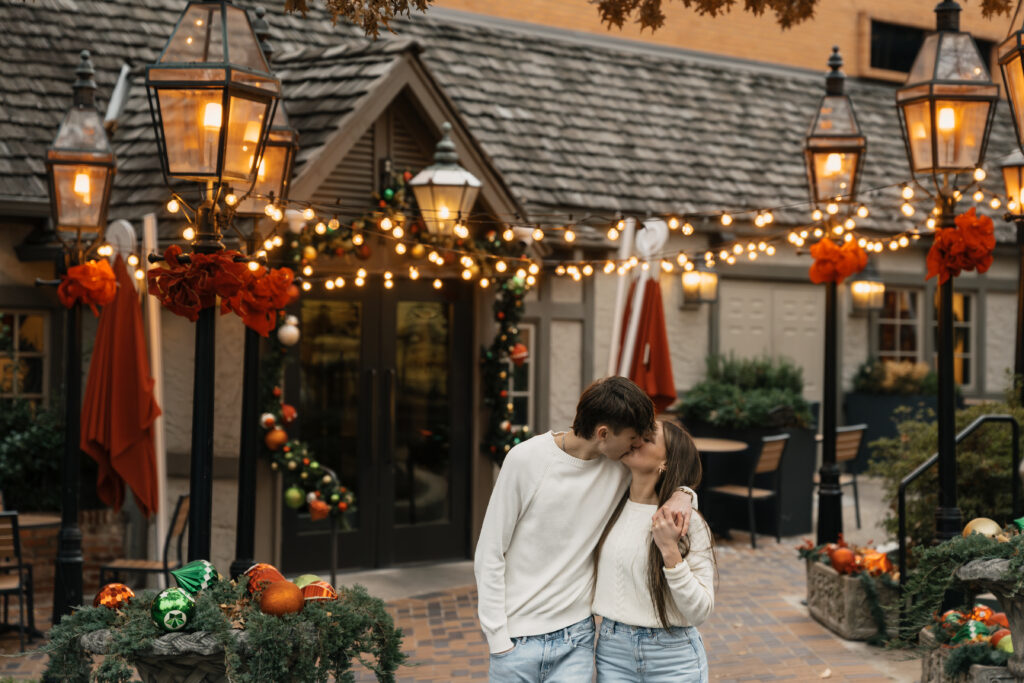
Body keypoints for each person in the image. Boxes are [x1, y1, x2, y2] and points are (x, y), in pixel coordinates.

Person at [475, 376, 697, 682]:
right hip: (517, 643)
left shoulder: (619, 465)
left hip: (576, 641)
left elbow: (669, 469)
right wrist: (498, 640)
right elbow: (490, 553)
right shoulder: (526, 460)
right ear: (603, 433)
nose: (637, 447)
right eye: (633, 439)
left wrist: (684, 493)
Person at [593, 420, 716, 682]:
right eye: (637, 433)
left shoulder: (687, 522)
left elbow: (700, 611)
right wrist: (686, 492)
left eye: (648, 438)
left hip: (673, 657)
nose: (635, 440)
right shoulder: (607, 504)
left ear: (667, 462)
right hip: (613, 653)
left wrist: (670, 550)